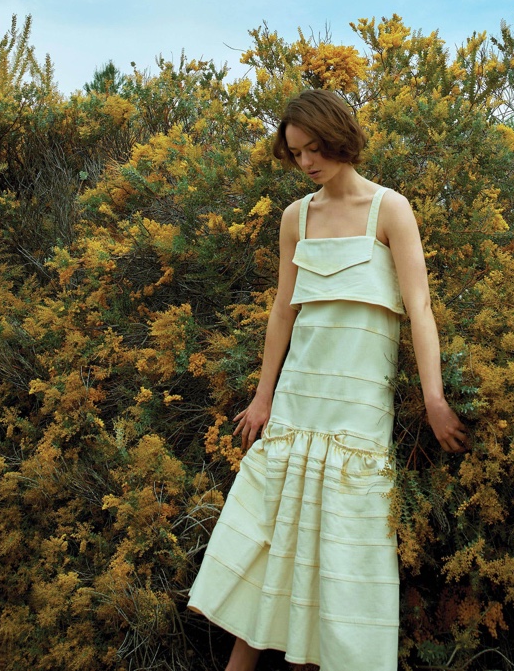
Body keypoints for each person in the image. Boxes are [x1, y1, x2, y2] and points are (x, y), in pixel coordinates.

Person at [187, 88, 467, 671]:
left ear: (341, 138)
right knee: (273, 547)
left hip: (356, 416)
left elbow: (420, 309)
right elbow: (283, 312)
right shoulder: (296, 217)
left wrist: (434, 398)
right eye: (295, 153)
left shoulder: (390, 210)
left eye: (315, 147)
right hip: (297, 406)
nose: (308, 162)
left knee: (336, 564)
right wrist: (263, 397)